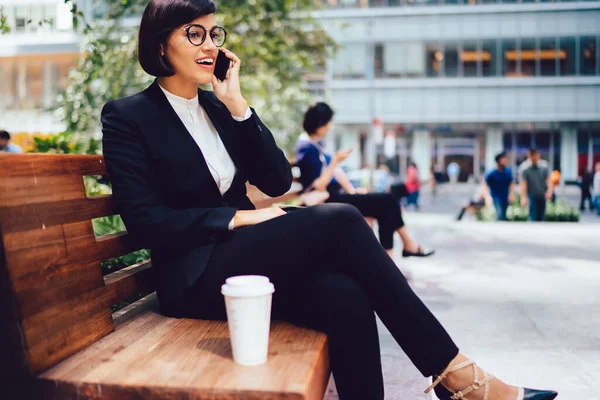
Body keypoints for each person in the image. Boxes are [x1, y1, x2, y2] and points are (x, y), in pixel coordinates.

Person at [101, 2, 557, 399]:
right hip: (194, 275)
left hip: (241, 261)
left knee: (346, 295)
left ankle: (454, 380)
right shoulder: (128, 116)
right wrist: (236, 220)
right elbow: (145, 221)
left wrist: (239, 105)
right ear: (161, 45)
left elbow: (277, 180)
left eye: (214, 34)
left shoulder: (219, 109)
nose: (209, 46)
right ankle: (458, 376)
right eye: (193, 33)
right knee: (340, 219)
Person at [296, 103, 434, 259]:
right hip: (328, 199)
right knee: (387, 200)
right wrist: (335, 161)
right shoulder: (306, 147)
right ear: (319, 123)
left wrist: (352, 192)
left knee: (385, 207)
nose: (329, 126)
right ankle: (403, 249)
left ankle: (392, 257)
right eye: (328, 122)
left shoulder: (317, 145)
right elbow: (319, 185)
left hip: (337, 195)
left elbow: (337, 172)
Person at [520, 148, 554, 222]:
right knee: (533, 215)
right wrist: (523, 197)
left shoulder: (544, 166)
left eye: (535, 156)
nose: (534, 158)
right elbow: (523, 183)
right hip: (531, 194)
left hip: (542, 193)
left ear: (538, 155)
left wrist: (549, 191)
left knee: (541, 215)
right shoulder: (524, 168)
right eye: (532, 156)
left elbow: (549, 180)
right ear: (528, 156)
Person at [485, 152, 515, 221]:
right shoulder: (491, 173)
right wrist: (487, 196)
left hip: (505, 196)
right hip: (496, 197)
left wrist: (512, 194)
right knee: (499, 214)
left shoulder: (508, 172)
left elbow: (512, 184)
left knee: (504, 215)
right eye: (503, 159)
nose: (505, 161)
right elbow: (485, 185)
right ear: (498, 161)